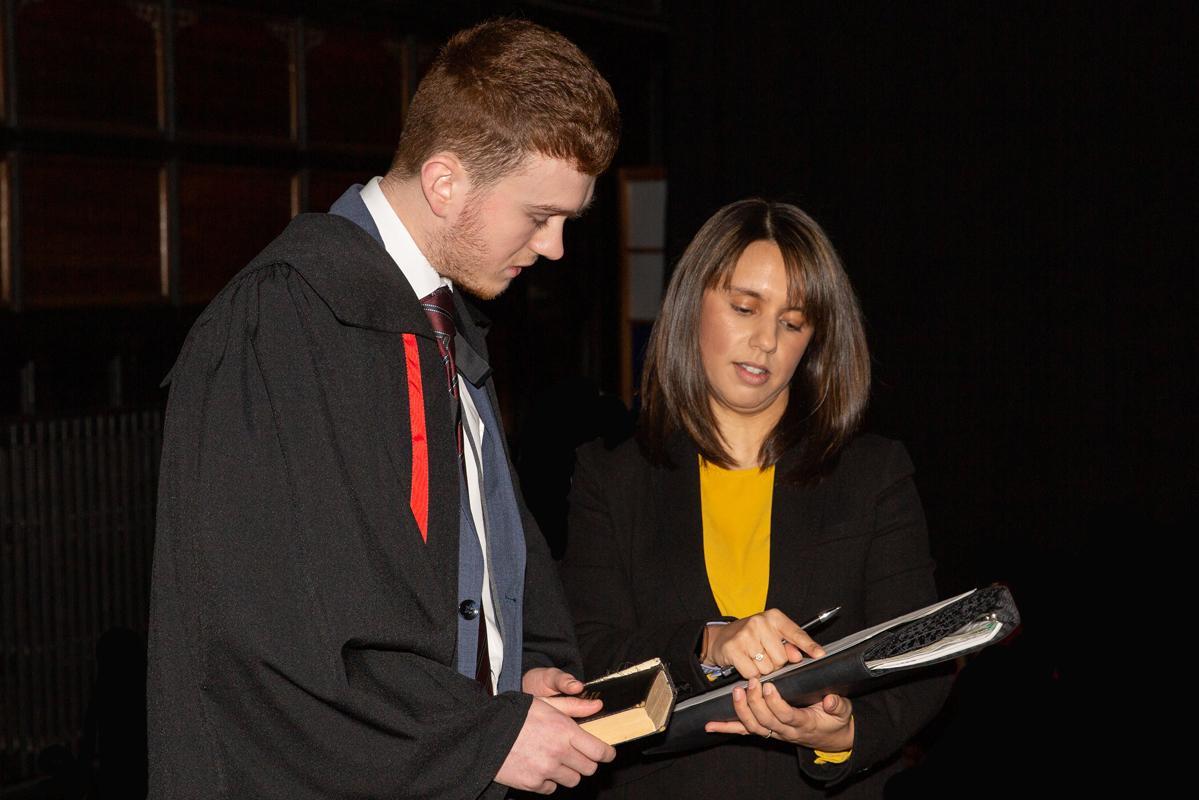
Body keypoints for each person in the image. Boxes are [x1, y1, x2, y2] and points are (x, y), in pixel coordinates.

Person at [148, 19, 620, 799]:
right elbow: (278, 636)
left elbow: (452, 578)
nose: (554, 247)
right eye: (539, 215)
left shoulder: (439, 322)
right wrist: (478, 735)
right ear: (445, 183)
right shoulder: (286, 321)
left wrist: (511, 671)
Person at [559, 199, 953, 797]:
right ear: (692, 305)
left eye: (792, 323)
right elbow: (587, 658)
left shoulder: (872, 474)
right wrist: (708, 643)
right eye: (744, 308)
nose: (766, 340)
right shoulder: (612, 478)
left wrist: (841, 733)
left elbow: (922, 658)